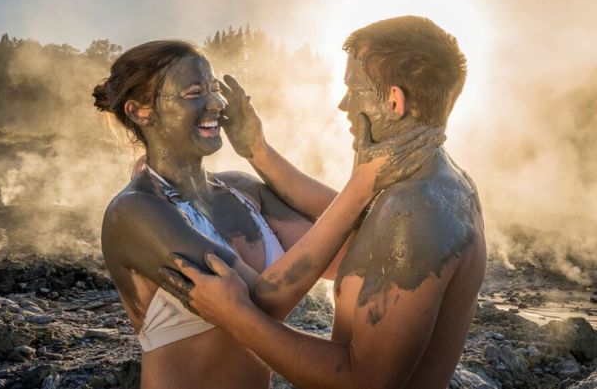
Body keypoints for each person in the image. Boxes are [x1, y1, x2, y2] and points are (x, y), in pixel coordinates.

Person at [94, 40, 440, 389]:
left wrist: (257, 150)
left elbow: (361, 249)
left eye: (214, 89)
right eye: (194, 92)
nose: (216, 102)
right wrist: (360, 186)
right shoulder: (135, 211)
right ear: (141, 111)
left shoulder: (243, 191)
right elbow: (258, 306)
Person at [166, 16, 487, 389]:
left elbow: (364, 380)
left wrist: (235, 316)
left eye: (353, 87)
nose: (343, 103)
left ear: (394, 101)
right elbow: (346, 213)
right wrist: (256, 149)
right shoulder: (439, 179)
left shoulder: (413, 211)